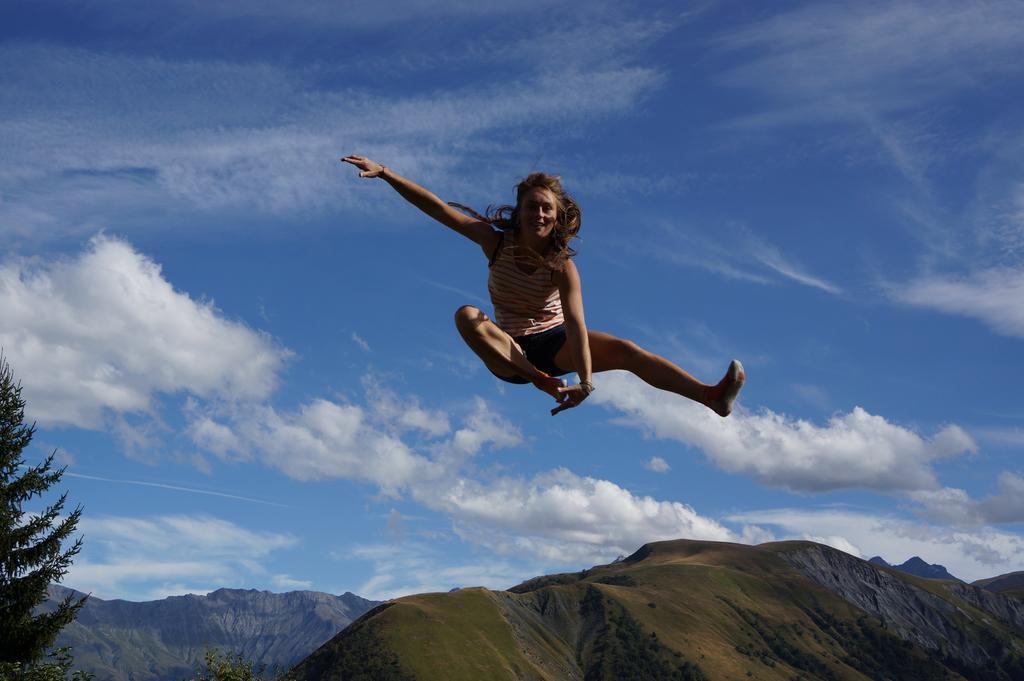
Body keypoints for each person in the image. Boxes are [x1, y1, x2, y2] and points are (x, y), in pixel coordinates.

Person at [341, 155, 745, 417]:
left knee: (626, 351)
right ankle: (537, 378)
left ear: (557, 217)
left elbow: (575, 325)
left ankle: (710, 397)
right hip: (509, 350)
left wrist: (586, 383)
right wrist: (387, 174)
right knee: (467, 315)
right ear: (519, 212)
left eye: (546, 207)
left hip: (553, 342)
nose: (539, 213)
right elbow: (438, 209)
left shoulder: (562, 268)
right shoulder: (494, 241)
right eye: (532, 206)